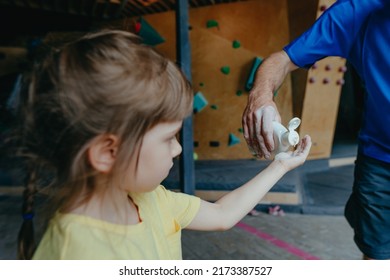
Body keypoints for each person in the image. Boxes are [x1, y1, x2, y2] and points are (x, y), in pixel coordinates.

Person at [15, 29, 311, 260]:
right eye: (169, 138)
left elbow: (222, 214)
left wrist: (281, 164)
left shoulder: (153, 200)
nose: (178, 149)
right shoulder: (73, 253)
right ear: (108, 152)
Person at [242, 0, 390, 260]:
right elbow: (282, 59)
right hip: (380, 162)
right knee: (377, 256)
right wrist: (261, 97)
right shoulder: (357, 11)